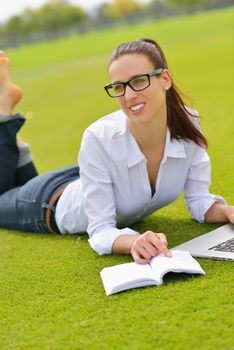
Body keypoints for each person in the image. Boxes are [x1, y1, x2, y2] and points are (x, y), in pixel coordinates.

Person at [0, 39, 233, 264]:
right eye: (119, 87)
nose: (129, 96)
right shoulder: (98, 137)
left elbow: (199, 201)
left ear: (165, 79)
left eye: (139, 81)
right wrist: (133, 241)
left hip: (85, 181)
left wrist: (228, 212)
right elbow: (100, 230)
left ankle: (9, 120)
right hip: (49, 203)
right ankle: (4, 112)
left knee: (14, 188)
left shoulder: (188, 124)